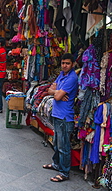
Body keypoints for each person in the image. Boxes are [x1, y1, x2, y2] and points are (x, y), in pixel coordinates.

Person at [42, 53, 78, 182]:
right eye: (63, 63)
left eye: (67, 63)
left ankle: (64, 172)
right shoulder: (62, 75)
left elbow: (55, 96)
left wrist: (56, 93)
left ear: (72, 64)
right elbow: (49, 89)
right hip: (57, 114)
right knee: (57, 143)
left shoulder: (72, 78)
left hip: (65, 116)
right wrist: (57, 92)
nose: (64, 65)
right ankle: (56, 164)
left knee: (64, 146)